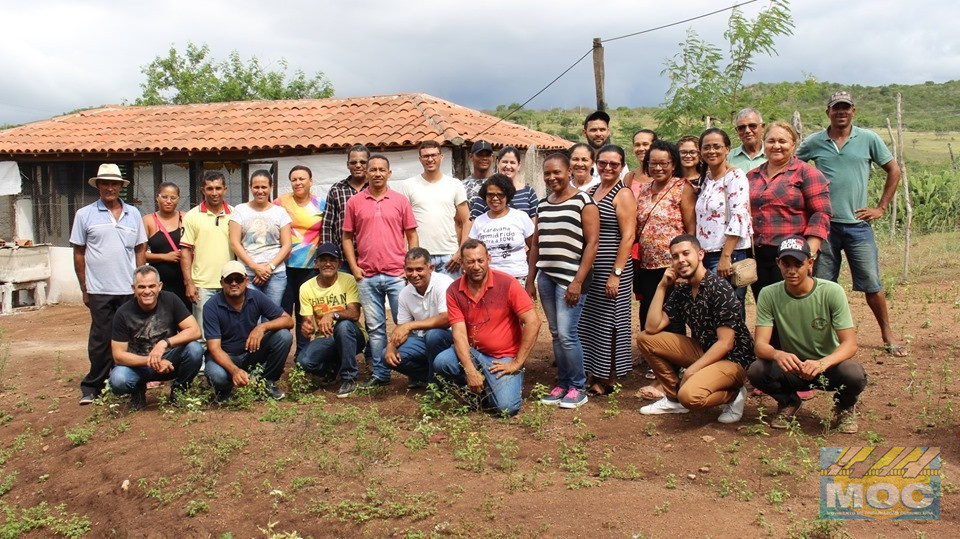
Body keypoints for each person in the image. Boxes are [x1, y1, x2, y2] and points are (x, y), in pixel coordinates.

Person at [796, 90, 907, 357]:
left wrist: (880, 208)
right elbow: (792, 168)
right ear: (828, 112)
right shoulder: (814, 142)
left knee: (872, 284)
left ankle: (887, 334)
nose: (841, 112)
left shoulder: (868, 138)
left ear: (853, 111)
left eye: (846, 108)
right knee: (821, 285)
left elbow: (894, 169)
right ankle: (821, 340)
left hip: (858, 226)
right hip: (825, 226)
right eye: (836, 108)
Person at [749, 236, 866, 433]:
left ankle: (844, 407)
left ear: (810, 263)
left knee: (854, 374)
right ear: (778, 263)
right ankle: (788, 402)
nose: (792, 270)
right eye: (786, 264)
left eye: (798, 264)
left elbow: (850, 344)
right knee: (757, 371)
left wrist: (822, 363)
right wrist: (778, 354)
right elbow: (760, 346)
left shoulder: (831, 291)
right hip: (794, 368)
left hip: (827, 367)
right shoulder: (768, 294)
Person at [637, 235, 755, 423]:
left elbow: (726, 344)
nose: (681, 260)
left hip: (733, 360)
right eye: (675, 256)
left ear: (700, 254)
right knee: (645, 339)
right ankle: (673, 399)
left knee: (690, 396)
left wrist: (691, 371)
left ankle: (734, 394)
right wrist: (661, 286)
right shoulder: (682, 291)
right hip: (705, 351)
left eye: (686, 253)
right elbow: (652, 328)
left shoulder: (719, 288)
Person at [433, 240, 541, 416]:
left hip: (503, 357)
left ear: (488, 259)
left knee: (506, 409)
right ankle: (479, 388)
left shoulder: (507, 283)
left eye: (480, 260)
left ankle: (487, 390)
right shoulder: (453, 290)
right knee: (442, 362)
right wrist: (469, 369)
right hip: (473, 351)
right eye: (470, 262)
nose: (476, 266)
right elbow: (459, 334)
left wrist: (517, 362)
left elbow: (533, 322)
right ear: (462, 264)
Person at [70, 163, 148, 404]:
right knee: (101, 339)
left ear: (120, 187)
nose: (110, 187)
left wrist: (140, 283)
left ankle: (133, 386)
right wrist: (85, 288)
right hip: (99, 289)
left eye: (114, 183)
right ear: (99, 186)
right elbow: (79, 253)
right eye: (105, 183)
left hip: (128, 288)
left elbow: (141, 248)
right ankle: (93, 386)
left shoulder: (133, 213)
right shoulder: (85, 214)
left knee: (134, 338)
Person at [527, 153, 599, 409]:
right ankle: (563, 382)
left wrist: (578, 282)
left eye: (557, 172)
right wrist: (530, 279)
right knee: (556, 334)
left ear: (569, 171)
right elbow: (536, 243)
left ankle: (578, 387)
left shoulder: (584, 202)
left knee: (568, 335)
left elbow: (592, 244)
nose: (551, 177)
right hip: (547, 277)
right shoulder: (543, 205)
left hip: (571, 279)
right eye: (547, 173)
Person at [343, 154, 419, 388]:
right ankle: (380, 374)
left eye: (381, 169)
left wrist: (410, 267)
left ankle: (414, 372)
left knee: (405, 324)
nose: (377, 173)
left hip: (397, 275)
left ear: (389, 173)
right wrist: (354, 267)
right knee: (375, 329)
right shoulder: (355, 202)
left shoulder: (399, 201)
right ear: (366, 173)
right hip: (367, 276)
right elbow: (347, 237)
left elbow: (412, 235)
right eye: (372, 169)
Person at [747, 122, 831, 302]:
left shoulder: (807, 173)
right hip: (759, 254)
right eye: (771, 141)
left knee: (792, 306)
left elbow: (821, 213)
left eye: (782, 141)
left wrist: (810, 253)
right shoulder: (752, 175)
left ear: (794, 144)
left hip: (792, 254)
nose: (776, 146)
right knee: (766, 304)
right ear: (764, 143)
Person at [580, 145, 637, 397]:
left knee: (611, 321)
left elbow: (628, 237)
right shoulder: (592, 191)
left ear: (621, 165)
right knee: (592, 321)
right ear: (596, 163)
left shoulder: (622, 193)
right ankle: (593, 371)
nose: (608, 168)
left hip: (614, 266)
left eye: (614, 164)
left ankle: (608, 377)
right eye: (603, 163)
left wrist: (617, 273)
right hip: (594, 267)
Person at [109, 266, 203, 410]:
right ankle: (137, 391)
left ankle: (179, 390)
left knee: (195, 349)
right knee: (118, 380)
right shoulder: (123, 313)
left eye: (152, 286)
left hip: (169, 362)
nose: (147, 291)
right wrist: (151, 361)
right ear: (133, 288)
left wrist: (164, 343)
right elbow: (118, 355)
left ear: (159, 286)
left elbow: (195, 331)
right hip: (138, 366)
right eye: (141, 287)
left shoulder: (171, 300)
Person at [203, 261, 294, 402]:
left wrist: (262, 327)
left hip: (250, 353)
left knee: (284, 336)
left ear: (246, 281)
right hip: (225, 356)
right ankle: (224, 391)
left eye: (238, 279)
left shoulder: (256, 297)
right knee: (217, 376)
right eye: (229, 279)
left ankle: (267, 383)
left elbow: (288, 321)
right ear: (222, 283)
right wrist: (234, 371)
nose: (234, 283)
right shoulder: (211, 306)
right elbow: (214, 348)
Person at [635, 140, 696, 334]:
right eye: (653, 163)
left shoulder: (682, 187)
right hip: (646, 265)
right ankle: (653, 356)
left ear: (674, 165)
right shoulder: (644, 190)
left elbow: (691, 229)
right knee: (648, 311)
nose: (658, 167)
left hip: (672, 264)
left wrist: (684, 265)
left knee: (672, 314)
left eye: (664, 163)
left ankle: (675, 361)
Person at [295, 243, 366, 399]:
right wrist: (306, 328)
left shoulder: (348, 280)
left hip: (352, 335)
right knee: (304, 362)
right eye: (323, 260)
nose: (328, 264)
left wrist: (332, 315)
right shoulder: (306, 287)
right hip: (325, 338)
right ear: (316, 263)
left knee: (344, 326)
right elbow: (307, 322)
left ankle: (349, 378)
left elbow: (354, 314)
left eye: (332, 260)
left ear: (339, 263)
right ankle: (333, 368)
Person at [695, 128, 753, 312]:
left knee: (728, 307)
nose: (711, 151)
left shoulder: (735, 177)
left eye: (717, 146)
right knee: (712, 307)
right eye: (706, 147)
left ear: (727, 149)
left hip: (727, 252)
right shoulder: (707, 179)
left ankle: (736, 342)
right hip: (707, 252)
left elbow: (738, 216)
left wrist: (725, 257)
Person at [383, 248, 454, 390]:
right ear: (404, 269)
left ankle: (436, 385)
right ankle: (433, 376)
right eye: (410, 270)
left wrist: (410, 326)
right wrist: (391, 347)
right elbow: (401, 327)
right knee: (385, 356)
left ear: (431, 268)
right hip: (424, 342)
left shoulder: (444, 284)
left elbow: (447, 319)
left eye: (419, 269)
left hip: (450, 339)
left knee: (434, 335)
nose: (414, 275)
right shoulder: (405, 293)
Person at [274, 165, 324, 359]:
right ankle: (280, 354)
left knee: (305, 312)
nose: (298, 183)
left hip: (310, 267)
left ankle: (302, 356)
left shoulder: (321, 204)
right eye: (294, 179)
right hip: (284, 267)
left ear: (311, 181)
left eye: (302, 179)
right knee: (284, 312)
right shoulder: (279, 203)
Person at [397, 141, 469, 275]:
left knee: (449, 296)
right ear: (420, 159)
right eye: (425, 156)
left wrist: (460, 251)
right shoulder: (408, 185)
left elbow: (467, 220)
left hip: (449, 256)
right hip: (419, 256)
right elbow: (403, 225)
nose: (430, 159)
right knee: (420, 296)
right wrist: (406, 255)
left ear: (441, 157)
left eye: (434, 155)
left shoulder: (454, 184)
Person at [180, 170, 234, 335]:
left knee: (228, 329)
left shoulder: (235, 214)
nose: (214, 193)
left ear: (225, 189)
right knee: (203, 333)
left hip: (230, 282)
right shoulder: (192, 216)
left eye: (218, 188)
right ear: (202, 190)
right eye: (210, 188)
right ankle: (202, 362)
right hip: (202, 284)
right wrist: (189, 283)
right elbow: (185, 251)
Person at [228, 169, 292, 306]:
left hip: (275, 274)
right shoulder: (240, 210)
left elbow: (287, 245)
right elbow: (234, 243)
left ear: (271, 187)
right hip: (247, 274)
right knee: (250, 318)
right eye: (256, 187)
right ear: (250, 187)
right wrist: (254, 267)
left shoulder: (280, 212)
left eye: (264, 187)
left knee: (270, 318)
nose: (260, 191)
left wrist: (269, 267)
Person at [467, 175, 535, 284]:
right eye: (490, 194)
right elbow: (472, 250)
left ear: (508, 195)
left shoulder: (521, 217)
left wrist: (530, 279)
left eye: (500, 194)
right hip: (489, 280)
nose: (495, 198)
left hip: (518, 278)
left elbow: (534, 248)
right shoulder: (479, 221)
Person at [320, 144, 369, 262]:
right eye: (353, 162)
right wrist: (329, 255)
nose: (358, 165)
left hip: (371, 258)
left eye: (362, 162)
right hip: (343, 258)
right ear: (348, 165)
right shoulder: (337, 189)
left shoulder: (377, 189)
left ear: (369, 164)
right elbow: (327, 225)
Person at [143, 182, 187, 307]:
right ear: (157, 197)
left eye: (173, 198)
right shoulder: (148, 221)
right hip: (159, 281)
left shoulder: (185, 218)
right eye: (164, 197)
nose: (169, 201)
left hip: (184, 280)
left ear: (178, 199)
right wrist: (164, 257)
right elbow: (141, 254)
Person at [468, 146, 539, 220]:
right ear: (498, 163)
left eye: (512, 163)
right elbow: (475, 222)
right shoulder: (487, 191)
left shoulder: (529, 193)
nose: (508, 166)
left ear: (519, 165)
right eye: (505, 162)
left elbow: (534, 224)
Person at [583, 110, 629, 182]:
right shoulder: (578, 161)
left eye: (602, 130)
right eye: (593, 130)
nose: (598, 134)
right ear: (584, 133)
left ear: (608, 132)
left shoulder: (617, 160)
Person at [728, 107, 767, 172]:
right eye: (741, 127)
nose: (747, 131)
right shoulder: (728, 157)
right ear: (737, 130)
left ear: (762, 127)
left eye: (752, 125)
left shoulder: (773, 154)